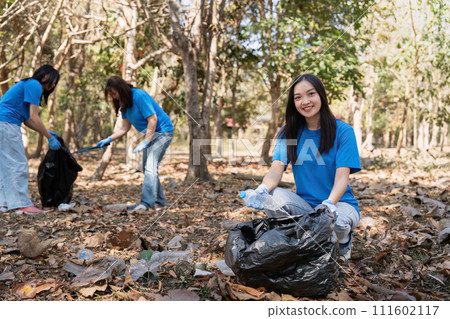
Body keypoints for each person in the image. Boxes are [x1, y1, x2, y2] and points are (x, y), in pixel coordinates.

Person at [243, 74, 361, 260]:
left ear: (321, 95)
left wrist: (328, 205)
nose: (305, 101)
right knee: (272, 197)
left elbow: (342, 177)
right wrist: (262, 189)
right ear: (293, 103)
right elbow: (276, 169)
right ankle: (300, 245)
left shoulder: (343, 131)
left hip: (340, 204)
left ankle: (344, 240)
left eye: (310, 94)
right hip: (305, 206)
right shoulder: (288, 132)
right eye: (298, 97)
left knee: (335, 224)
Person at [97, 76, 174, 211]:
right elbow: (124, 128)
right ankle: (160, 203)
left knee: (150, 166)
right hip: (151, 134)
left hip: (163, 132)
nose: (114, 97)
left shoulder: (139, 96)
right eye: (112, 95)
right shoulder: (124, 103)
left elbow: (153, 119)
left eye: (114, 93)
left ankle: (146, 204)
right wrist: (109, 139)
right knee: (147, 167)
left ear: (121, 89)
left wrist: (146, 141)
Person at [0, 64, 62, 214]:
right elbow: (34, 116)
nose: (53, 85)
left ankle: (5, 204)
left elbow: (27, 119)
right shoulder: (34, 85)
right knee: (18, 164)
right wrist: (49, 138)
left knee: (5, 166)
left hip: (4, 123)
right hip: (6, 124)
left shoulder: (27, 84)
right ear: (45, 76)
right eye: (53, 80)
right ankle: (22, 204)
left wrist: (47, 132)